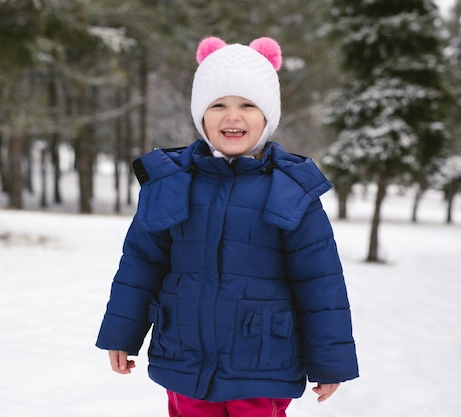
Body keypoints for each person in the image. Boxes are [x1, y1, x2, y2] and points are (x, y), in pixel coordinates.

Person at [96, 35, 359, 417]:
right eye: (218, 104)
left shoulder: (291, 190)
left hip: (262, 362)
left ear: (268, 115)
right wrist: (122, 334)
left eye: (247, 105)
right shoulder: (171, 182)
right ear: (200, 114)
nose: (232, 117)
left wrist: (330, 361)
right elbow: (141, 266)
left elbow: (320, 283)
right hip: (184, 359)